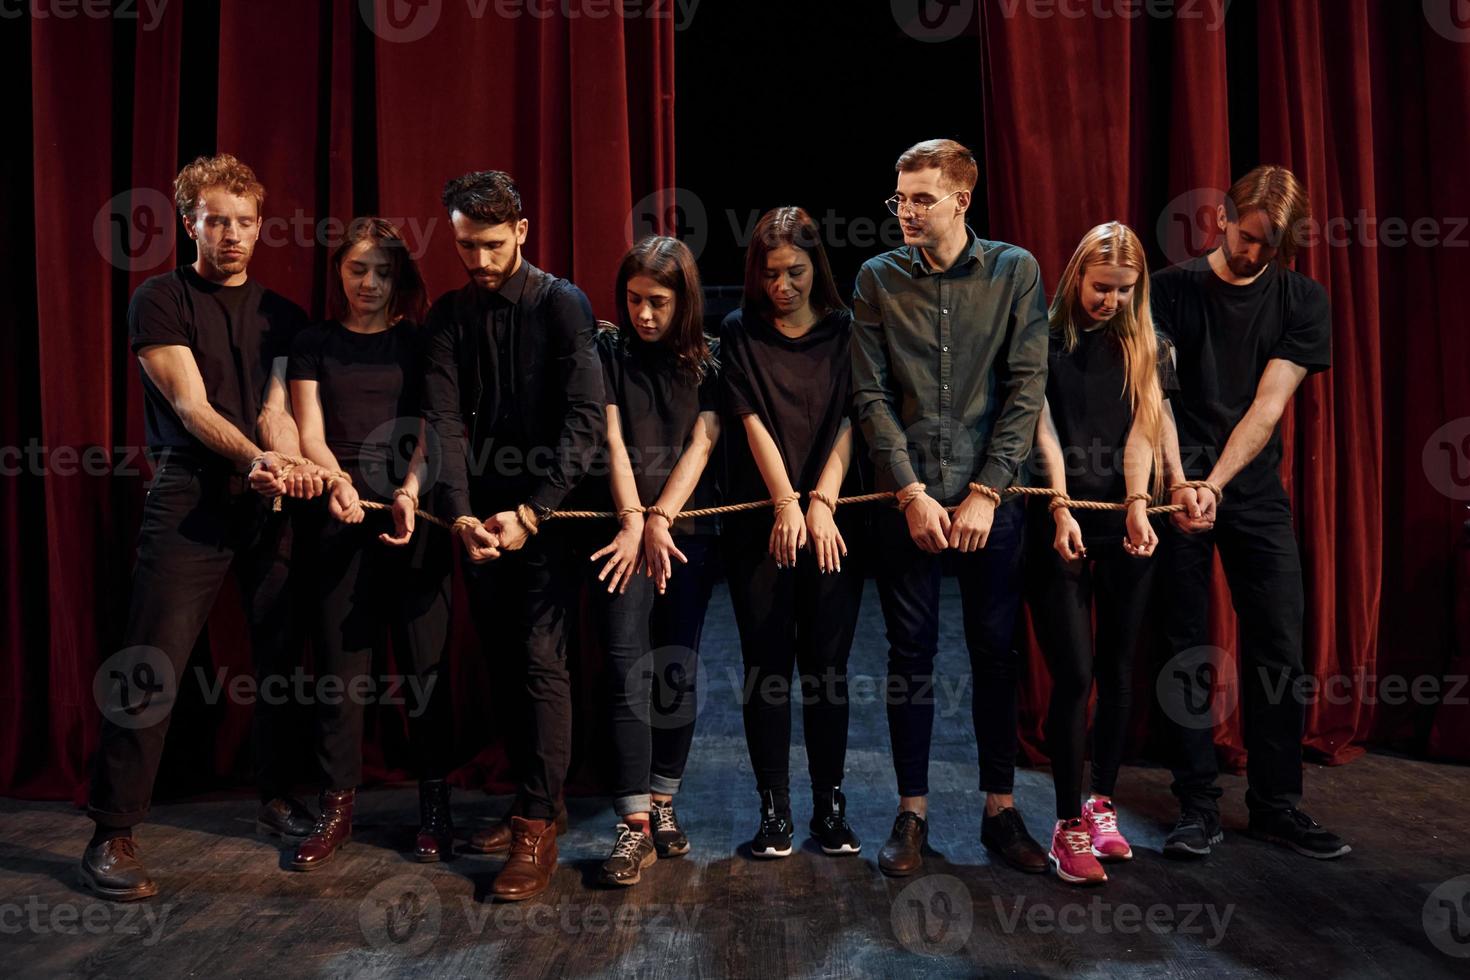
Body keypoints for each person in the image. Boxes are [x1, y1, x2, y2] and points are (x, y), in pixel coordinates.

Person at [81, 154, 319, 900]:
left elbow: (277, 411)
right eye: (219, 222)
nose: (235, 237)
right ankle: (111, 832)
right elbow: (190, 408)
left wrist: (292, 464)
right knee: (153, 661)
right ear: (191, 224)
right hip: (190, 497)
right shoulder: (159, 299)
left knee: (280, 655)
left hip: (267, 499)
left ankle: (277, 796)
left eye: (247, 223)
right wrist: (256, 459)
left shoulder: (285, 315)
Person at [851, 139, 1050, 877]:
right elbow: (870, 396)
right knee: (909, 659)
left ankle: (1000, 811)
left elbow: (1026, 386)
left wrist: (987, 492)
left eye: (922, 198)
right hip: (907, 503)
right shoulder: (876, 278)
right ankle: (912, 815)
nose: (907, 210)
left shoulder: (1013, 270)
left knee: (996, 658)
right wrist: (909, 492)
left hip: (989, 503)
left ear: (962, 200)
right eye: (899, 197)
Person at [1153, 165, 1350, 861]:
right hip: (1173, 483)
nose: (1254, 254)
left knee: (1277, 643)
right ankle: (1195, 804)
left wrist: (1218, 482)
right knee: (1184, 643)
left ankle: (1275, 803)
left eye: (1272, 246)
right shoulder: (1169, 291)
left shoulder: (1303, 299)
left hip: (1252, 487)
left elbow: (1268, 407)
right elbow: (1158, 402)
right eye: (1249, 237)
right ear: (1222, 218)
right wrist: (1182, 482)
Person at [421, 170, 605, 901]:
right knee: (501, 661)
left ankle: (535, 825)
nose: (480, 259)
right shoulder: (447, 314)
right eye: (467, 245)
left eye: (493, 244)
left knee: (539, 661)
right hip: (482, 513)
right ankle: (542, 798)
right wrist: (464, 514)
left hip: (552, 511)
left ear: (522, 231)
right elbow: (442, 424)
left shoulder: (563, 305)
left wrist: (531, 514)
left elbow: (585, 421)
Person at [284, 217, 457, 870]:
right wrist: (335, 482)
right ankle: (338, 803)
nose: (370, 283)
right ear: (339, 274)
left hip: (412, 514)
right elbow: (309, 429)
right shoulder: (313, 343)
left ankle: (435, 802)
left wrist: (410, 492)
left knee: (425, 669)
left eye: (383, 272)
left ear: (400, 279)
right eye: (358, 269)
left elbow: (431, 430)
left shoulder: (420, 344)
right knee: (340, 673)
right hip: (338, 514)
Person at [1027, 221, 1175, 885]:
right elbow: (1045, 431)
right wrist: (1059, 506)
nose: (1110, 300)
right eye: (1100, 286)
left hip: (1124, 520)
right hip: (1059, 519)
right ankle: (1064, 826)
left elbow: (1142, 436)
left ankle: (1100, 804)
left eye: (1123, 290)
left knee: (1118, 666)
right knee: (1077, 674)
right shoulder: (1043, 339)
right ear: (1076, 277)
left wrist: (1140, 503)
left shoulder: (1145, 345)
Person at [722, 207, 868, 860]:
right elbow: (748, 415)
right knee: (767, 667)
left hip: (835, 517)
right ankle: (774, 808)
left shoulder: (847, 331)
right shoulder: (739, 331)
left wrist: (822, 503)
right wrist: (785, 501)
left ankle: (829, 804)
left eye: (796, 272)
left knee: (828, 668)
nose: (782, 285)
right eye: (771, 273)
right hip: (760, 522)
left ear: (817, 267)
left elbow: (850, 419)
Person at [589, 236, 721, 886]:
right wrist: (634, 518)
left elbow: (701, 445)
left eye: (658, 302)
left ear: (683, 300)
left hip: (685, 532)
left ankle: (664, 802)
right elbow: (609, 434)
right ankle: (632, 822)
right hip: (625, 529)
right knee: (622, 666)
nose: (644, 314)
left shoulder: (710, 359)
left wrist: (661, 516)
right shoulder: (608, 351)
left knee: (675, 668)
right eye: (635, 300)